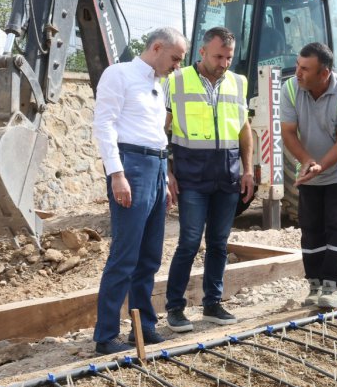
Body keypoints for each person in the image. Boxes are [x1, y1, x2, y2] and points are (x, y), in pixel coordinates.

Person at [91, 28, 187, 355]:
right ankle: (106, 335)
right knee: (125, 254)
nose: (177, 65)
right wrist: (117, 174)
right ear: (157, 47)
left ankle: (142, 326)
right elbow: (104, 125)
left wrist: (165, 176)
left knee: (150, 255)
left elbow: (156, 134)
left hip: (155, 167)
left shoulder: (157, 85)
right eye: (175, 58)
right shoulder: (119, 75)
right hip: (131, 166)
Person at [164, 27, 254, 331]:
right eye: (218, 56)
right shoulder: (176, 81)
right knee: (189, 242)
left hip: (227, 177)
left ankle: (212, 304)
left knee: (218, 242)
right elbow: (161, 129)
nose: (224, 63)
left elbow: (244, 130)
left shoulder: (238, 82)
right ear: (202, 52)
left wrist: (248, 170)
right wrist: (167, 172)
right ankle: (175, 308)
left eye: (229, 57)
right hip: (191, 178)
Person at [280, 42, 337, 309]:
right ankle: (315, 284)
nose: (298, 72)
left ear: (324, 73)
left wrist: (320, 166)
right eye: (298, 65)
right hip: (309, 171)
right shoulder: (290, 88)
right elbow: (288, 133)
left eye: (305, 69)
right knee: (311, 230)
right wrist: (307, 161)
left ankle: (331, 286)